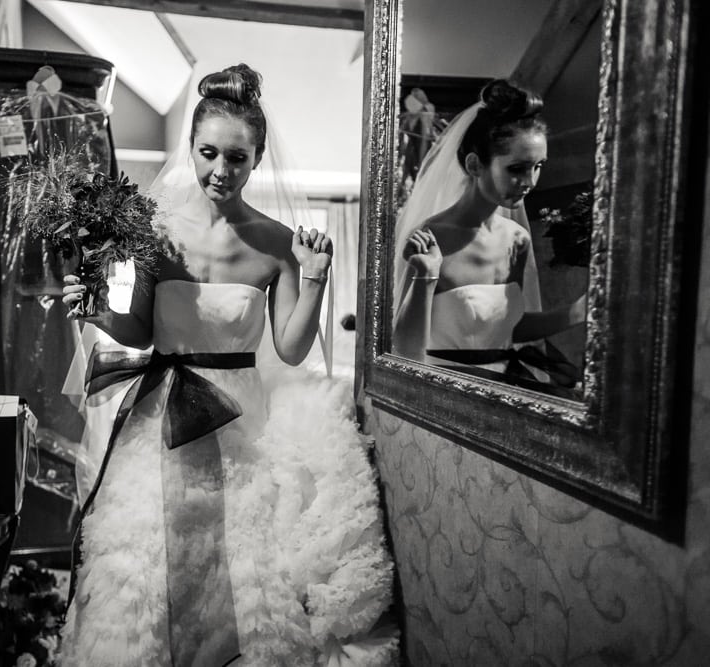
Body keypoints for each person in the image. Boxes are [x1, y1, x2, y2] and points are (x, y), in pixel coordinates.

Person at [58, 64, 397, 666]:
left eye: (237, 158)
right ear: (190, 146)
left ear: (257, 159)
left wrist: (314, 278)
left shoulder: (276, 242)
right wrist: (95, 305)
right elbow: (137, 332)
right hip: (160, 417)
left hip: (242, 423)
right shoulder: (149, 232)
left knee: (242, 560)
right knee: (150, 557)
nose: (221, 170)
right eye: (208, 152)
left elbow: (291, 347)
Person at [392, 79, 585, 389]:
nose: (530, 181)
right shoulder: (431, 237)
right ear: (474, 165)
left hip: (506, 386)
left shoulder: (517, 240)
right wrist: (426, 274)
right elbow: (404, 348)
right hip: (446, 389)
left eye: (538, 166)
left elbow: (509, 326)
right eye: (517, 168)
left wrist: (575, 313)